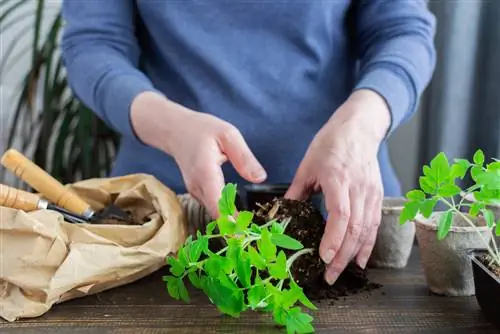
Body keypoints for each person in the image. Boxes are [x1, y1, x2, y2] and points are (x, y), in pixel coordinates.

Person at [60, 1, 436, 285]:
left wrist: (361, 124)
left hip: (342, 212)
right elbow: (95, 43)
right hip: (162, 221)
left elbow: (403, 31)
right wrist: (171, 128)